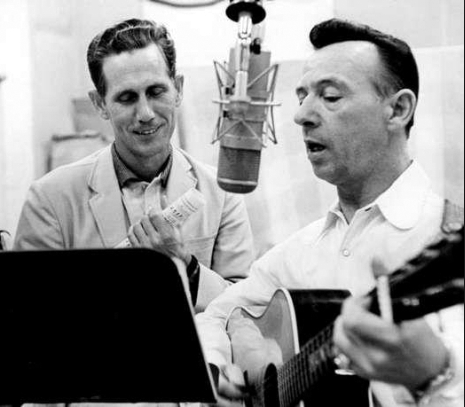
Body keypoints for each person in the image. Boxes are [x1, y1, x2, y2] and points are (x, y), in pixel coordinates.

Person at [196, 18, 464, 406]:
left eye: (330, 96)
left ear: (398, 109)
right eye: (302, 96)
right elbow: (214, 316)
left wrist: (436, 373)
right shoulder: (296, 254)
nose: (301, 115)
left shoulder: (444, 235)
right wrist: (219, 365)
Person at [13, 18, 255, 312]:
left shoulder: (222, 192)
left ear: (178, 89)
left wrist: (186, 264)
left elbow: (244, 308)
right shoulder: (50, 201)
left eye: (156, 91)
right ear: (100, 104)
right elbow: (28, 313)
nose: (145, 114)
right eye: (127, 98)